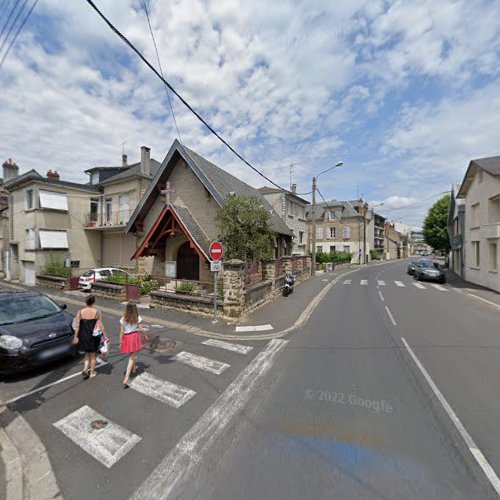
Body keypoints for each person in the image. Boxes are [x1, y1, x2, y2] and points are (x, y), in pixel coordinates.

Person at [73, 295, 109, 379]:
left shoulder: (80, 312)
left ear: (86, 302)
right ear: (93, 302)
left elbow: (77, 326)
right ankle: (92, 373)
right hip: (93, 337)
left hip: (83, 336)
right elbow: (100, 325)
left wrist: (75, 337)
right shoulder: (97, 312)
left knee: (86, 354)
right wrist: (105, 336)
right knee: (93, 355)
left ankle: (85, 368)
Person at [120, 302, 147, 388]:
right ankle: (126, 378)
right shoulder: (137, 317)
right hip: (134, 336)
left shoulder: (123, 318)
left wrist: (120, 341)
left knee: (132, 353)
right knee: (131, 357)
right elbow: (141, 328)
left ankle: (134, 368)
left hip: (126, 337)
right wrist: (145, 335)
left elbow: (121, 331)